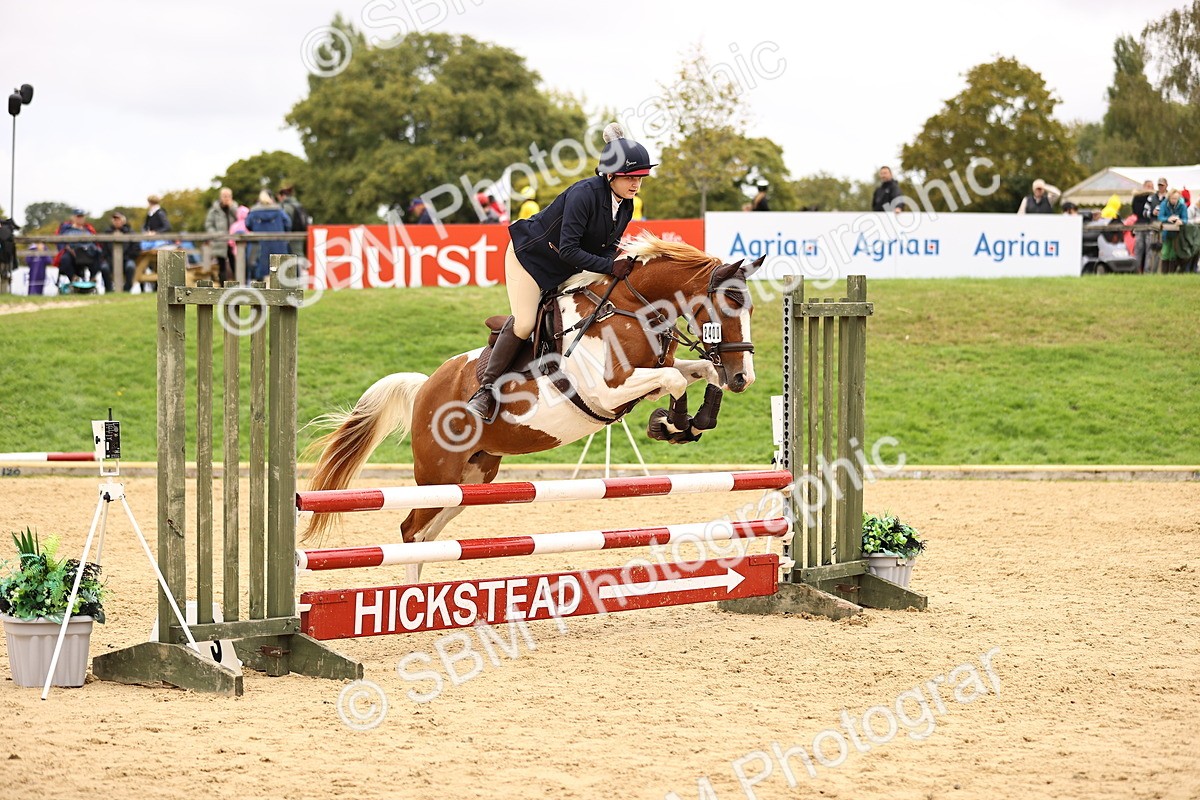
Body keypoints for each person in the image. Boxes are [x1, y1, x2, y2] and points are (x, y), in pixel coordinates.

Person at [464, 122, 654, 421]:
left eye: (640, 178)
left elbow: (605, 248)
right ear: (610, 175)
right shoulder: (584, 194)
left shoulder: (626, 205)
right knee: (526, 323)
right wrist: (608, 265)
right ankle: (485, 391)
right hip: (530, 261)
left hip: (567, 266)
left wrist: (615, 263)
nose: (636, 185)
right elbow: (568, 248)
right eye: (630, 178)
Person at [244, 189, 291, 281]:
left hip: (259, 246)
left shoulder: (254, 212)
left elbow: (248, 224)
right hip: (278, 244)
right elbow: (288, 223)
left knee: (259, 272)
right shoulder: (279, 211)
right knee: (279, 270)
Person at [53, 209, 103, 289]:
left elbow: (95, 242)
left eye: (82, 217)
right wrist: (68, 248)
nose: (80, 219)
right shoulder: (66, 230)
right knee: (65, 258)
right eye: (78, 217)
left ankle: (92, 277)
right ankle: (73, 278)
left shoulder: (89, 230)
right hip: (72, 253)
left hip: (87, 253)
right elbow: (61, 244)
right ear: (73, 218)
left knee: (99, 253)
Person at [204, 187, 239, 283]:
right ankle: (222, 286)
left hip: (233, 241)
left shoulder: (236, 208)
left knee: (235, 264)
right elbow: (209, 225)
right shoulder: (214, 211)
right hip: (220, 241)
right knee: (221, 266)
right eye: (224, 196)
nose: (226, 198)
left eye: (228, 196)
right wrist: (216, 234)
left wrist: (231, 207)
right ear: (220, 197)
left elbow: (240, 219)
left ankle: (238, 284)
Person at [101, 211, 138, 292]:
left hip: (126, 260)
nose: (117, 221)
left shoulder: (130, 232)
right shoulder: (107, 233)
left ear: (123, 220)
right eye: (115, 219)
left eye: (118, 219)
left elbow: (136, 248)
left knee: (130, 267)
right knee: (104, 268)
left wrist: (127, 257)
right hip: (110, 260)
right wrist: (108, 258)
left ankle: (126, 290)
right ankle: (109, 290)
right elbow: (104, 249)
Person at [1158, 188, 1188, 274]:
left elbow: (1185, 219)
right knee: (1165, 251)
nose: (1174, 200)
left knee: (1173, 253)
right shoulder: (1164, 204)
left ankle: (1171, 273)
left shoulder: (1182, 206)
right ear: (1169, 197)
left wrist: (1181, 221)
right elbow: (1160, 217)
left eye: (1176, 198)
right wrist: (1168, 218)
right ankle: (1164, 273)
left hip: (1177, 233)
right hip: (1166, 232)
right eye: (1172, 198)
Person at [277, 184, 309, 259]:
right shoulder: (298, 205)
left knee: (292, 256)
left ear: (283, 196)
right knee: (299, 254)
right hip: (302, 233)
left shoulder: (286, 207)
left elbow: (285, 223)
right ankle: (302, 270)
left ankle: (299, 270)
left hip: (291, 235)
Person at [1131, 180, 1155, 273]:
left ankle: (1147, 271)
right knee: (1139, 249)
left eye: (1151, 186)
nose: (1150, 188)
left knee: (1149, 249)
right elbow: (1135, 211)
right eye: (1148, 186)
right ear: (1144, 186)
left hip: (1149, 225)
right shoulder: (1137, 197)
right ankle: (1136, 271)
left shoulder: (1154, 197)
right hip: (1141, 224)